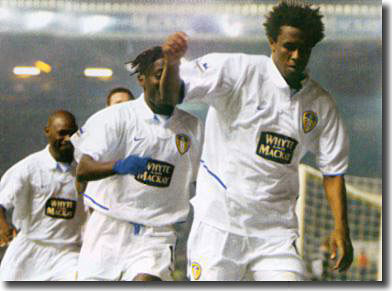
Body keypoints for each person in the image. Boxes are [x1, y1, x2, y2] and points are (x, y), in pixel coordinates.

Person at [161, 0, 354, 281]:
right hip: (219, 225)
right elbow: (170, 97)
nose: (297, 56)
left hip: (274, 233)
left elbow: (333, 172)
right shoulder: (237, 71)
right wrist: (171, 63)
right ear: (272, 41)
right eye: (289, 46)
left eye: (305, 49)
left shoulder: (320, 104)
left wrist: (341, 229)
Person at [73, 46, 203, 281]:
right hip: (108, 227)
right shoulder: (115, 117)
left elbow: (201, 178)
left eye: (172, 75)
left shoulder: (193, 127)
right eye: (158, 75)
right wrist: (118, 166)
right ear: (142, 80)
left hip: (157, 232)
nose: (166, 82)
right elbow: (83, 169)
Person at [0, 110, 86, 281]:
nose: (67, 139)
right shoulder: (28, 167)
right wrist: (2, 226)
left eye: (71, 133)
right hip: (28, 251)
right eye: (62, 133)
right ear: (48, 131)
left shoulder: (85, 169)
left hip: (68, 253)